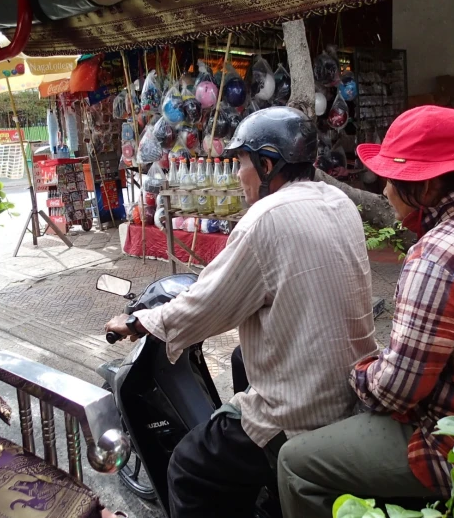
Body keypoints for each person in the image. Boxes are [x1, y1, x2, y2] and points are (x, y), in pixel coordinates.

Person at [277, 105, 454, 517]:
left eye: (393, 179)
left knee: (295, 463)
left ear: (427, 189)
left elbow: (397, 389)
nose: (384, 189)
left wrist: (358, 372)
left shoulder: (437, 255)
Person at [105, 106, 378, 518]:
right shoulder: (337, 201)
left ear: (268, 164)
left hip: (300, 408)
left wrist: (138, 321)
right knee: (239, 358)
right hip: (349, 387)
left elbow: (206, 305)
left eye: (242, 163)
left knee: (188, 467)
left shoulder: (264, 219)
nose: (237, 175)